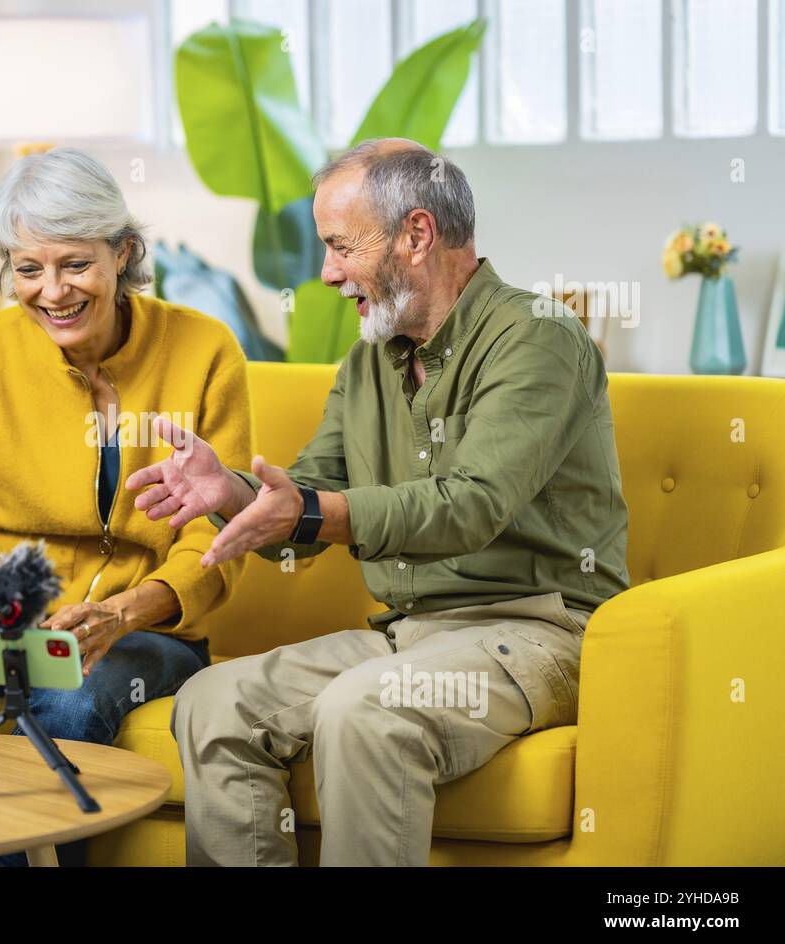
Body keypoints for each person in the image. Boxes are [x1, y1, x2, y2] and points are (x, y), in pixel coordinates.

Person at [126, 137, 630, 866]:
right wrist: (231, 492)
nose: (327, 272)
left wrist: (313, 513)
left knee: (365, 710)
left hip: (540, 632)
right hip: (412, 632)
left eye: (340, 246)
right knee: (211, 703)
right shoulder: (368, 359)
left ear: (416, 234)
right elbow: (300, 504)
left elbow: (470, 506)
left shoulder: (537, 340)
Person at [0, 146, 251, 866]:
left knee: (70, 703)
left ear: (124, 254)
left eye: (75, 264)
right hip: (13, 608)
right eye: (28, 269)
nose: (52, 291)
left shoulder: (204, 351)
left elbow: (218, 537)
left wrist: (122, 613)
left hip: (148, 627)